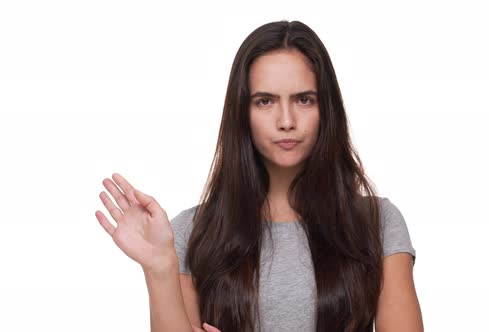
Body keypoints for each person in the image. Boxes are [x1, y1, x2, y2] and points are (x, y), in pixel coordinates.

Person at [95, 20, 423, 332]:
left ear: (327, 110)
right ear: (243, 113)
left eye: (304, 99)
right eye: (265, 101)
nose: (286, 120)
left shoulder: (377, 224)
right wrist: (159, 270)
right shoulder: (191, 233)